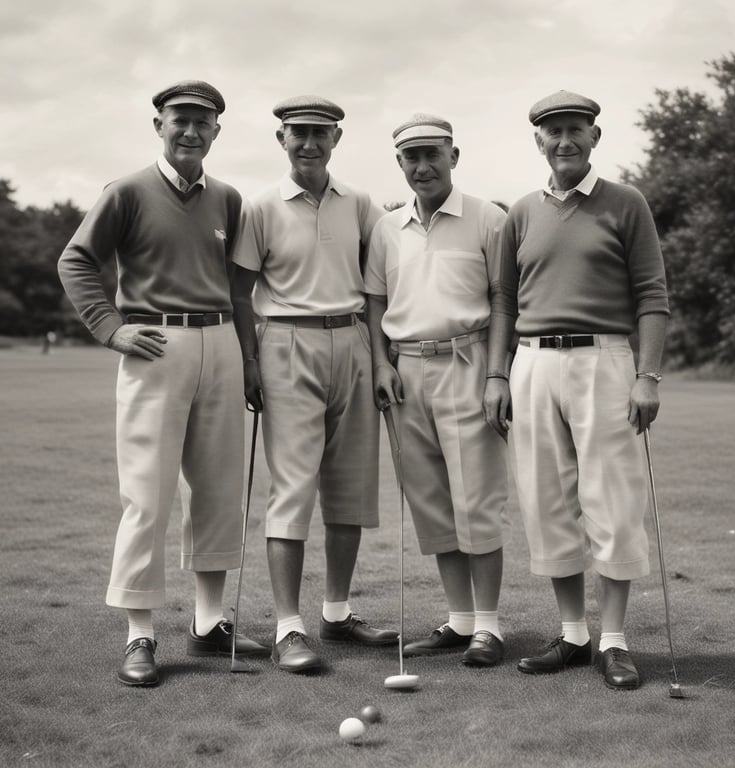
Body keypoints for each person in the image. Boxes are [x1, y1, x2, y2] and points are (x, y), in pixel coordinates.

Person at [58, 80, 267, 687]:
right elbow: (76, 259)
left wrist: (249, 359)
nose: (191, 131)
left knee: (218, 488)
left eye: (204, 123)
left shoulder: (227, 198)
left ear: (216, 133)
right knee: (147, 494)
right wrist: (109, 326)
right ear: (159, 124)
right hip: (153, 344)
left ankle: (208, 625)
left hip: (222, 343)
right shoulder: (125, 191)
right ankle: (140, 634)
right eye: (181, 119)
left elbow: (238, 289)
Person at [484, 90, 669, 689]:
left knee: (611, 498)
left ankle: (613, 639)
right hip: (533, 365)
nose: (564, 140)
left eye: (575, 130)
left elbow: (652, 296)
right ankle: (572, 633)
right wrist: (495, 374)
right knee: (546, 500)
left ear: (594, 137)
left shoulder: (626, 203)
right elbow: (505, 303)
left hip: (605, 360)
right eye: (552, 131)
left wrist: (647, 375)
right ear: (538, 140)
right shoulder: (521, 212)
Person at [230, 95, 398, 674]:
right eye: (298, 133)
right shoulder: (260, 206)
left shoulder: (361, 203)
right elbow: (238, 292)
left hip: (351, 340)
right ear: (281, 139)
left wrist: (381, 358)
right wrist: (250, 361)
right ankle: (288, 627)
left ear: (336, 139)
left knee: (349, 488)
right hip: (286, 344)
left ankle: (336, 612)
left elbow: (387, 270)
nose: (308, 143)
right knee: (294, 489)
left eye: (319, 134)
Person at [365, 114, 510, 667]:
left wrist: (497, 374)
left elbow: (504, 302)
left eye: (433, 154)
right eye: (410, 157)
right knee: (430, 501)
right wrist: (381, 363)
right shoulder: (385, 228)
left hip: (469, 363)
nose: (422, 166)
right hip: (405, 372)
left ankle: (489, 628)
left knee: (477, 498)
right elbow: (375, 302)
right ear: (399, 163)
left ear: (454, 155)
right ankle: (460, 620)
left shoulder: (489, 219)